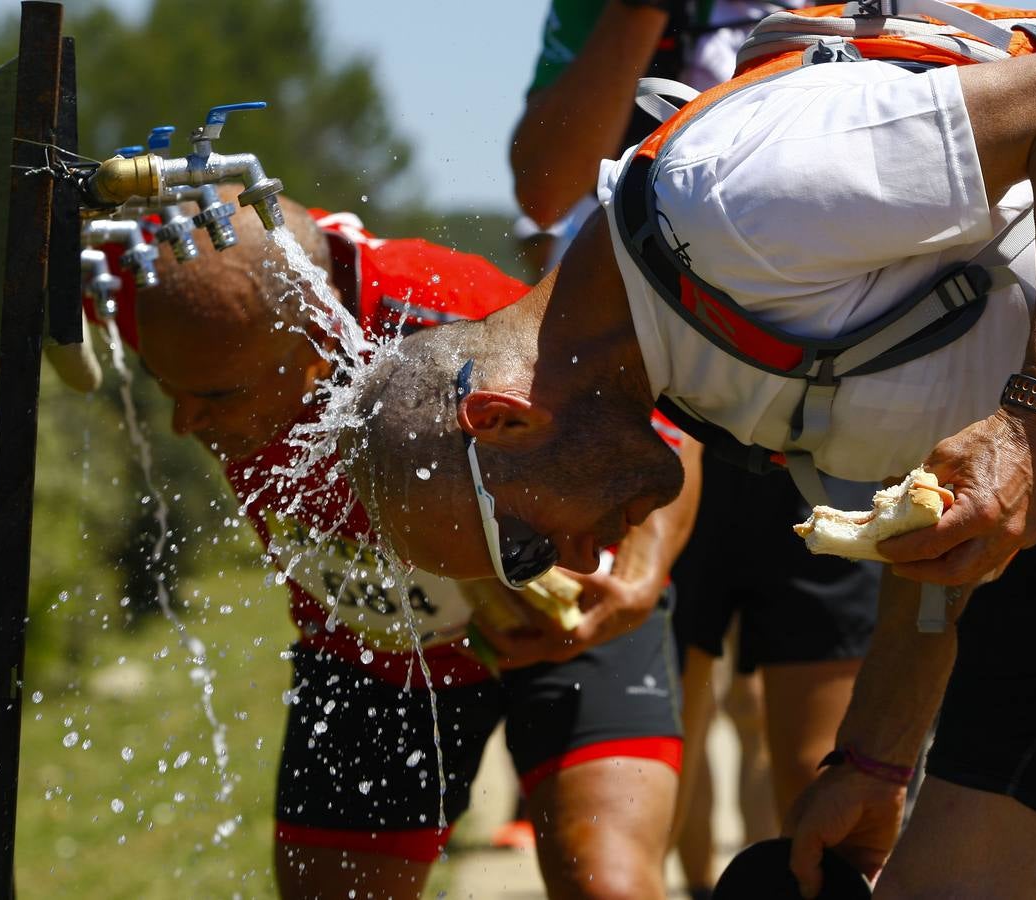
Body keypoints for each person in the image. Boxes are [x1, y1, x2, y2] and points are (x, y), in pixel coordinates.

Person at [343, 24, 1036, 899]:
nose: (568, 567)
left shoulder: (725, 202)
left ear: (502, 420)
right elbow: (935, 479)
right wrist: (877, 757)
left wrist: (1035, 422)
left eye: (524, 548)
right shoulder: (676, 361)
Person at [96, 188, 702, 899]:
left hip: (568, 613)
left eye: (221, 396)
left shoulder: (451, 313)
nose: (183, 420)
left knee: (608, 885)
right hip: (371, 651)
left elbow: (660, 432)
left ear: (319, 352)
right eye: (168, 384)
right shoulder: (173, 283)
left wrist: (638, 576)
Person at [510, 3, 879, 895]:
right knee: (663, 748)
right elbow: (544, 188)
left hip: (826, 412)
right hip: (645, 409)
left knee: (821, 775)